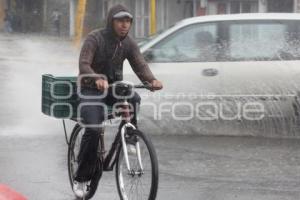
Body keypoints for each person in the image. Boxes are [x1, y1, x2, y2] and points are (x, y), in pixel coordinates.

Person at [74, 4, 163, 198]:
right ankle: (81, 178)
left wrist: (151, 80)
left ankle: (129, 139)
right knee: (94, 128)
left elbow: (140, 65)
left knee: (134, 98)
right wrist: (96, 78)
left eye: (128, 21)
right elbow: (83, 64)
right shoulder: (95, 38)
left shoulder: (128, 43)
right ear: (111, 21)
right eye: (120, 21)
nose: (124, 25)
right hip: (90, 88)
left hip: (113, 88)